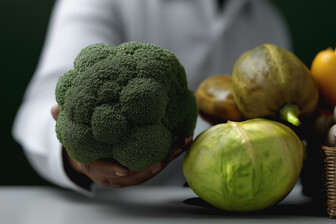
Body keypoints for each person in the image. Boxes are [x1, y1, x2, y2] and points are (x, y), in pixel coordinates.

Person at [13, 0, 292, 196]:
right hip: (116, 217)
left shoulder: (267, 19)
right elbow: (38, 109)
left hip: (229, 213)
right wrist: (76, 156)